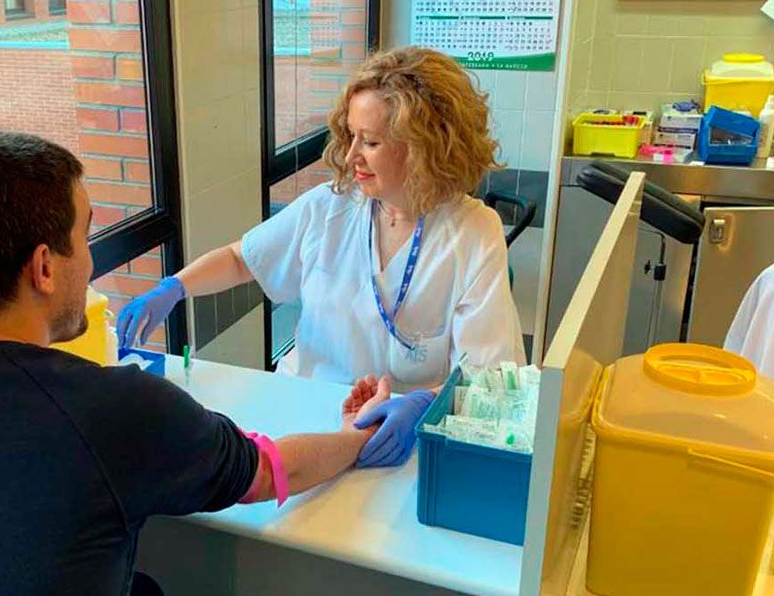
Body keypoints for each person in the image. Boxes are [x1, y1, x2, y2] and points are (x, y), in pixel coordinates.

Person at [0, 132, 390, 596]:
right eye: (85, 233)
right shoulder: (115, 410)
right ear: (43, 268)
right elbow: (267, 473)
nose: (90, 259)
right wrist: (355, 436)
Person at [119, 47, 525, 467]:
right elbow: (244, 260)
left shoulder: (474, 232)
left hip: (402, 437)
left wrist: (422, 404)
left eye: (370, 142)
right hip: (305, 413)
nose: (351, 156)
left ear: (424, 147)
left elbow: (490, 375)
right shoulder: (329, 208)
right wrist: (175, 286)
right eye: (349, 136)